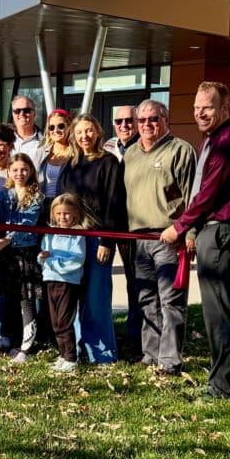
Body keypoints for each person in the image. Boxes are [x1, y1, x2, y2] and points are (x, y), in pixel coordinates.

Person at [161, 81, 230, 398]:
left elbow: (209, 194)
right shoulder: (214, 139)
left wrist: (180, 226)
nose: (200, 113)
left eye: (208, 107)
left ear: (225, 108)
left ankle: (223, 386)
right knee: (216, 312)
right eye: (197, 107)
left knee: (218, 313)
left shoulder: (227, 144)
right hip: (211, 232)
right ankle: (222, 381)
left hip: (223, 233)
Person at [124, 99, 197, 374]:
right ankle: (150, 353)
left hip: (169, 237)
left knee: (171, 301)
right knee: (146, 299)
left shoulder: (180, 150)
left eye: (152, 119)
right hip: (138, 240)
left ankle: (170, 360)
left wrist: (189, 233)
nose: (146, 125)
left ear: (165, 119)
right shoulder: (131, 154)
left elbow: (193, 197)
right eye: (141, 120)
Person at [58, 114, 126, 364]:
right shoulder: (71, 163)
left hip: (98, 237)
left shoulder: (109, 162)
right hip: (72, 238)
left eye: (89, 131)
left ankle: (102, 353)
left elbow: (114, 202)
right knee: (72, 295)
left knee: (96, 297)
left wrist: (107, 240)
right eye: (79, 132)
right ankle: (75, 349)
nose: (84, 136)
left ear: (97, 132)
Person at [0, 153, 47, 364]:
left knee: (27, 299)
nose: (19, 174)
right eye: (15, 170)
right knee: (8, 297)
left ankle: (27, 345)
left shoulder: (38, 198)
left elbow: (28, 226)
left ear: (31, 171)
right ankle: (9, 338)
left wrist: (7, 239)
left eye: (24, 169)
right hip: (6, 256)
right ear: (8, 172)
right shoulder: (3, 196)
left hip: (27, 254)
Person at [102, 105, 142, 357]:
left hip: (132, 225)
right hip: (108, 224)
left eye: (129, 120)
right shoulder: (108, 147)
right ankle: (106, 334)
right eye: (119, 121)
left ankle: (136, 339)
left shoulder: (144, 146)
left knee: (135, 283)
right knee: (102, 283)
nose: (124, 125)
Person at [38, 193, 86, 373]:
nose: (62, 217)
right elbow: (44, 253)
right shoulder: (51, 232)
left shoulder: (78, 235)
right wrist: (42, 258)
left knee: (65, 321)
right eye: (58, 214)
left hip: (67, 282)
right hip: (50, 280)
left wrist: (52, 262)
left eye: (66, 213)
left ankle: (71, 358)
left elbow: (76, 261)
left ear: (74, 214)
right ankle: (63, 354)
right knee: (55, 321)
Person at [39, 109, 73, 199]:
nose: (56, 130)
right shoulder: (42, 153)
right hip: (43, 206)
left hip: (65, 206)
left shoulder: (76, 154)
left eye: (61, 126)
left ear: (69, 127)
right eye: (52, 127)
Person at [10, 95, 45, 165]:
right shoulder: (4, 139)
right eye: (17, 111)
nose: (22, 114)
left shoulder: (46, 141)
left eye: (26, 110)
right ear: (13, 114)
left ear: (34, 113)